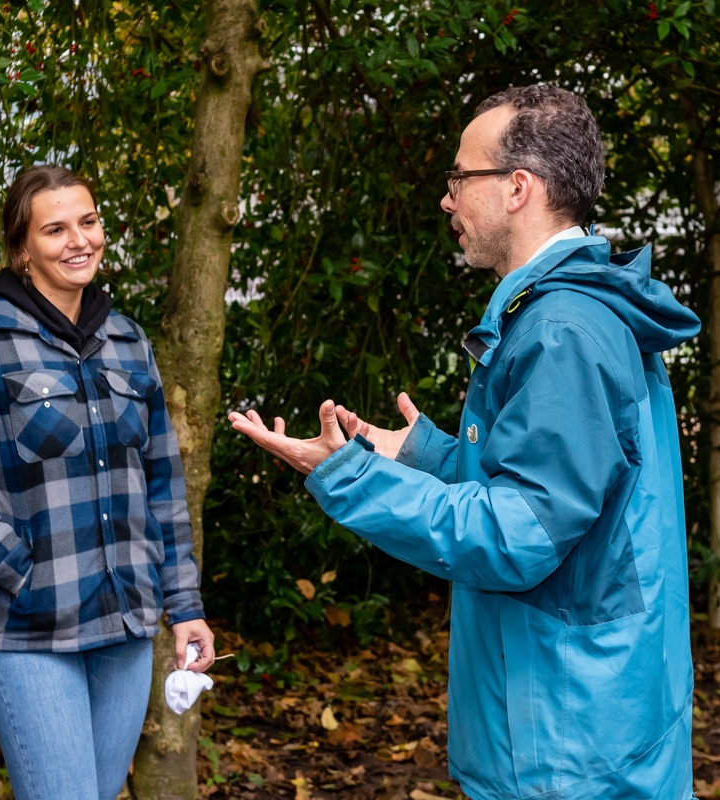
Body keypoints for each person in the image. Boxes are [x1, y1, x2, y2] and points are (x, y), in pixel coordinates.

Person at [230, 84, 698, 799]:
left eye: (460, 177)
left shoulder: (562, 330)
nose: (447, 198)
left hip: (566, 743)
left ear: (518, 187)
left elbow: (519, 535)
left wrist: (352, 477)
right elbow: (564, 493)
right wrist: (423, 456)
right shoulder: (575, 311)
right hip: (590, 716)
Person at [0, 165, 215, 800]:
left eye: (89, 221)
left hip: (125, 627)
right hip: (28, 633)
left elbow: (162, 481)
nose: (79, 240)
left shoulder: (128, 340)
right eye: (55, 229)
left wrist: (184, 607)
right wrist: (19, 568)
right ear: (22, 249)